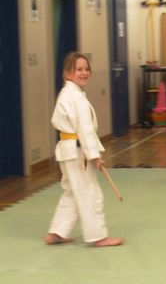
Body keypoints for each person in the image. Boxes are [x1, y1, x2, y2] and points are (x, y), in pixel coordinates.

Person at [45, 52, 124, 247]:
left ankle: (57, 232)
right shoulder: (75, 97)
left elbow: (84, 131)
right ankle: (98, 236)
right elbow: (85, 130)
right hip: (77, 152)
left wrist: (92, 152)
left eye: (86, 69)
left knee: (72, 192)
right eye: (78, 69)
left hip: (68, 150)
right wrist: (94, 156)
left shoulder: (69, 93)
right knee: (89, 192)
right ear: (67, 73)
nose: (84, 73)